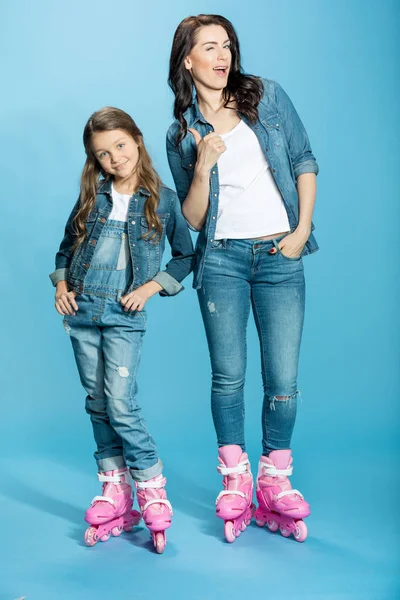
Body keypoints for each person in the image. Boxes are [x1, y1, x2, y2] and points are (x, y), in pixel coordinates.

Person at [167, 14, 319, 543]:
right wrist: (204, 162)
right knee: (228, 377)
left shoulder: (266, 96)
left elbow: (302, 159)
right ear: (188, 59)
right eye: (209, 46)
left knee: (282, 380)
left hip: (280, 253)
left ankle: (275, 478)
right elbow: (190, 218)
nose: (222, 54)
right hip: (223, 261)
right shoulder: (180, 132)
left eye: (226, 44)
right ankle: (236, 477)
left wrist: (301, 229)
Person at [50, 107, 194, 553]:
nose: (114, 158)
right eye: (103, 154)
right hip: (82, 312)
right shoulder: (92, 198)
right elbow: (63, 252)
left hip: (123, 316)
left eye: (120, 146)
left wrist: (151, 287)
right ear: (95, 161)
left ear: (137, 139)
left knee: (119, 401)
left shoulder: (164, 201)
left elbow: (184, 257)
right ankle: (115, 487)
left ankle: (150, 487)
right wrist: (60, 288)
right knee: (97, 402)